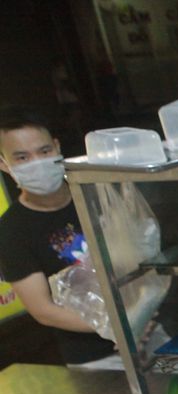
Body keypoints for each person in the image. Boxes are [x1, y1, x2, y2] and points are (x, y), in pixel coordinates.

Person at [0, 109, 115, 366]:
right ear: (3, 163)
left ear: (56, 147)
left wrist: (141, 317)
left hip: (151, 330)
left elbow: (143, 256)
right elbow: (44, 311)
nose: (36, 162)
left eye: (44, 151)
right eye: (22, 157)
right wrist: (118, 328)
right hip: (94, 358)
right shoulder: (10, 231)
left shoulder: (97, 193)